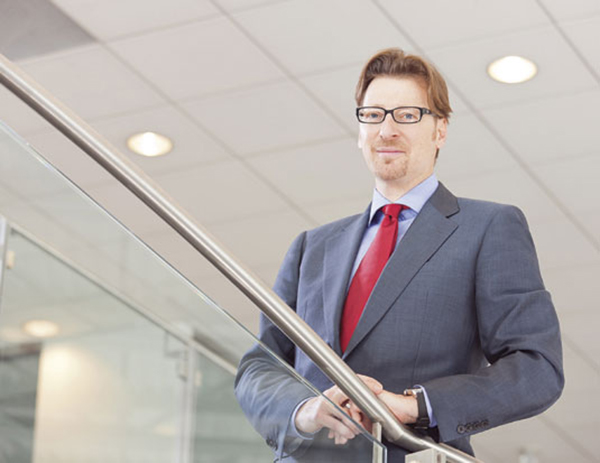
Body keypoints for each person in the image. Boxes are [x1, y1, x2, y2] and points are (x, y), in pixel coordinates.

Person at [235, 48, 564, 462]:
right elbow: (259, 367)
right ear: (360, 131)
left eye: (407, 115)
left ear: (440, 130)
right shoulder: (311, 248)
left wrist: (414, 406)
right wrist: (307, 410)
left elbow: (536, 367)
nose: (387, 130)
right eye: (373, 115)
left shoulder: (488, 227)